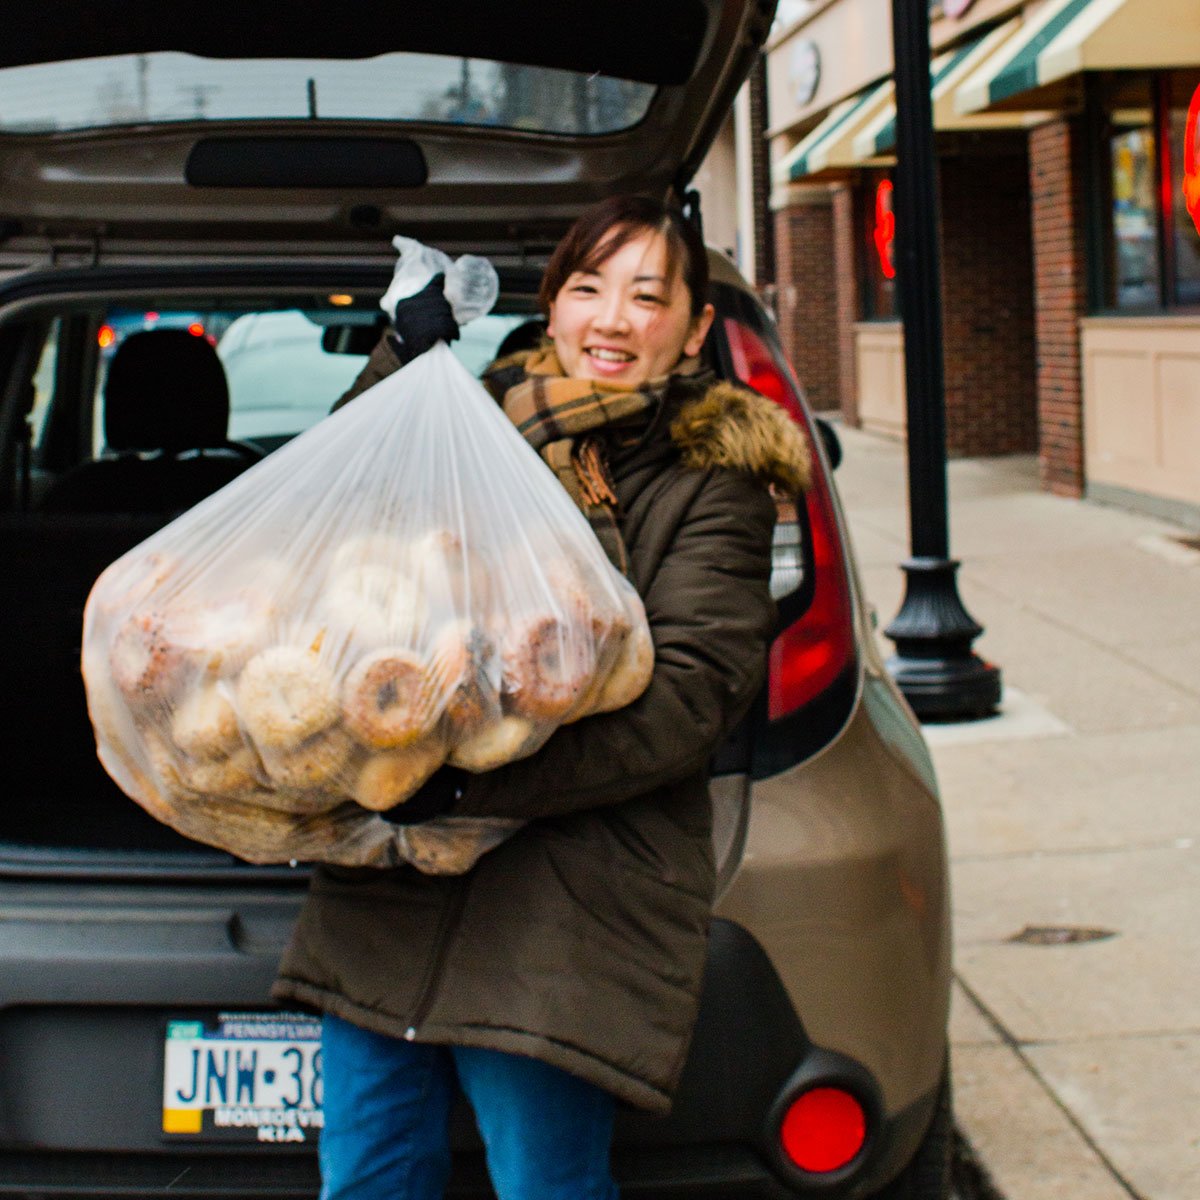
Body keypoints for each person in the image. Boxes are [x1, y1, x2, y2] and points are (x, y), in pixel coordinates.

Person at [273, 195, 811, 1200]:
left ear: (694, 329)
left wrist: (463, 791)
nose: (613, 318)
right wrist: (405, 361)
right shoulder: (469, 424)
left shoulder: (712, 482)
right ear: (552, 307)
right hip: (390, 893)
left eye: (648, 296)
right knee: (367, 1178)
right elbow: (339, 509)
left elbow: (691, 698)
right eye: (588, 287)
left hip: (565, 899)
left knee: (546, 1187)